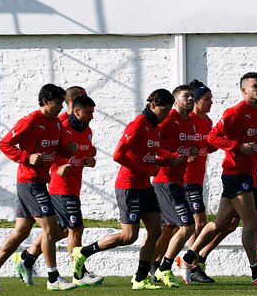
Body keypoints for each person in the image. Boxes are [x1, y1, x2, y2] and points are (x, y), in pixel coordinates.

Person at [70, 89, 181, 290]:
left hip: (145, 186)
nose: (167, 114)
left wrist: (168, 158)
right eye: (164, 110)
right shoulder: (138, 124)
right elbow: (118, 155)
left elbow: (151, 153)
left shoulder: (155, 126)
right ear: (153, 105)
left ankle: (140, 278)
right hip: (129, 186)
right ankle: (83, 252)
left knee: (156, 230)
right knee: (129, 237)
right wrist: (147, 169)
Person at [178, 72, 257, 286]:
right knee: (250, 223)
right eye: (255, 86)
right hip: (235, 173)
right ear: (244, 91)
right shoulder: (235, 112)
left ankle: (187, 258)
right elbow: (213, 137)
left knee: (221, 223)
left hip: (249, 175)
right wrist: (238, 147)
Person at [0, 84, 78, 291]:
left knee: (21, 232)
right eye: (58, 103)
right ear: (45, 101)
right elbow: (4, 144)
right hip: (30, 183)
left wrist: (66, 150)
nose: (61, 107)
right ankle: (53, 279)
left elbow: (54, 149)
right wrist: (26, 157)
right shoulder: (30, 121)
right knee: (52, 229)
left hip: (39, 182)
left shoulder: (56, 124)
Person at [12, 95, 103, 287]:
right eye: (88, 111)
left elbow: (79, 152)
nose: (92, 115)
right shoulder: (59, 125)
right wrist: (57, 166)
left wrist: (89, 159)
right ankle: (79, 274)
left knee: (59, 231)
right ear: (73, 105)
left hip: (74, 185)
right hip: (60, 187)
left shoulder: (87, 130)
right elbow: (51, 150)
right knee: (75, 229)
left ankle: (27, 258)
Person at [150, 85, 199, 287]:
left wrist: (193, 149)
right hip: (165, 180)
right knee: (187, 225)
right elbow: (152, 145)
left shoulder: (192, 122)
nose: (190, 99)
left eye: (191, 96)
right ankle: (164, 267)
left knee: (167, 228)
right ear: (175, 100)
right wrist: (170, 157)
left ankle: (150, 268)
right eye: (185, 96)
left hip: (179, 181)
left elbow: (187, 145)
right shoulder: (168, 119)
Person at [175, 80, 218, 284]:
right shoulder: (187, 119)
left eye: (211, 99)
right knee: (198, 222)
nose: (210, 103)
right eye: (206, 99)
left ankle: (158, 264)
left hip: (197, 179)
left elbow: (205, 146)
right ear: (197, 101)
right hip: (185, 178)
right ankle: (192, 265)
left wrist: (212, 147)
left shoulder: (207, 122)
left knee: (178, 227)